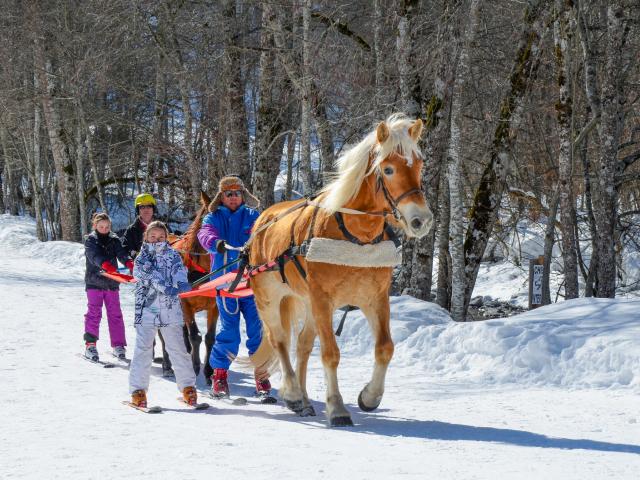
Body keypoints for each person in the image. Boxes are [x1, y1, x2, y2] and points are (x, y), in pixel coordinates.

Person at [197, 175, 271, 398]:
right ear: (221, 196)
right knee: (229, 331)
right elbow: (204, 233)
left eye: (237, 193)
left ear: (243, 195)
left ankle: (262, 377)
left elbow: (266, 235)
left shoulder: (253, 216)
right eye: (228, 194)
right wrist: (215, 243)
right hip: (227, 283)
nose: (233, 197)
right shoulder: (214, 216)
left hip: (252, 282)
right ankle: (219, 376)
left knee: (257, 330)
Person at [129, 221, 198, 407]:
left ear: (166, 238)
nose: (157, 240)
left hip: (170, 311)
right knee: (143, 350)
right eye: (153, 236)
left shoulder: (173, 255)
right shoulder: (142, 258)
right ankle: (138, 390)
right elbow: (147, 275)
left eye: (161, 237)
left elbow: (179, 271)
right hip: (147, 310)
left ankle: (188, 388)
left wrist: (182, 282)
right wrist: (164, 286)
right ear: (146, 237)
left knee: (178, 349)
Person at [83, 213, 134, 361]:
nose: (104, 229)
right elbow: (94, 256)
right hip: (94, 282)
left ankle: (118, 345)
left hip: (112, 283)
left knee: (115, 314)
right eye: (101, 227)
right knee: (94, 313)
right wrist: (105, 265)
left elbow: (121, 253)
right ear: (95, 226)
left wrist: (129, 263)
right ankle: (90, 344)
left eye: (107, 227)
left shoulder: (114, 239)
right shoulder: (90, 240)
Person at [121, 193, 158, 259]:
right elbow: (125, 248)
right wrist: (135, 255)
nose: (146, 209)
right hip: (139, 266)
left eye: (149, 206)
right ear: (138, 210)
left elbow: (172, 245)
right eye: (142, 207)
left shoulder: (163, 227)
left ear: (153, 209)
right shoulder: (131, 230)